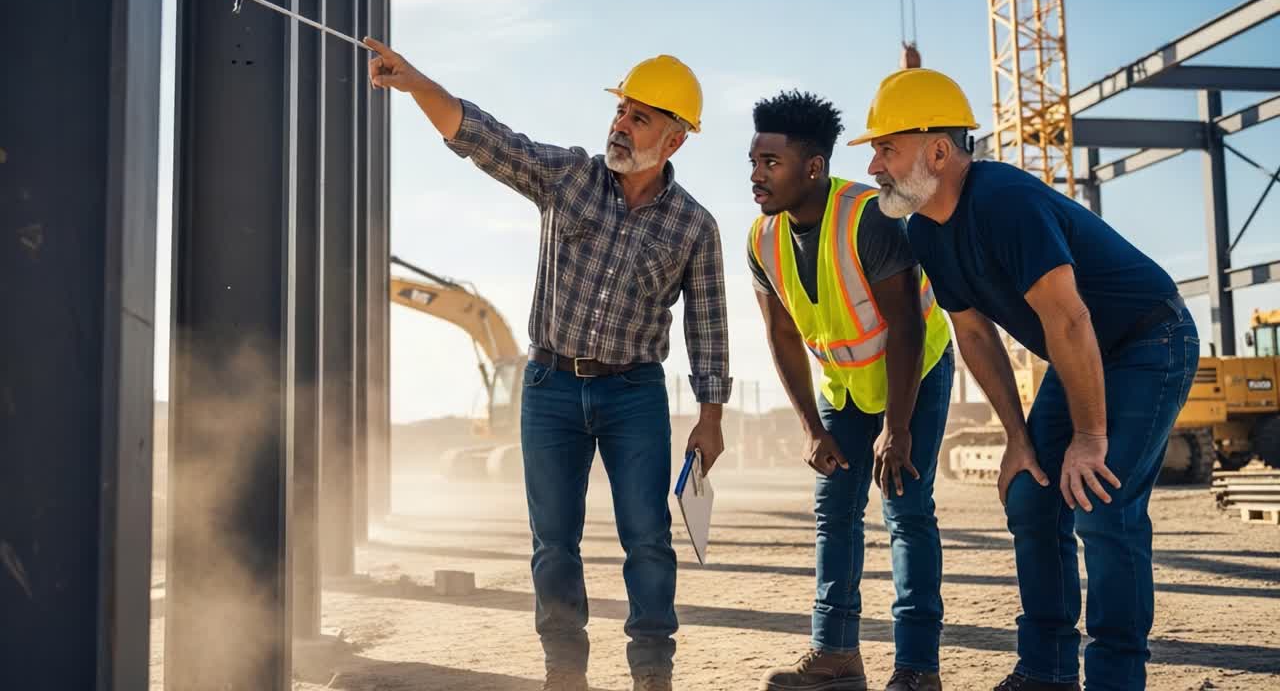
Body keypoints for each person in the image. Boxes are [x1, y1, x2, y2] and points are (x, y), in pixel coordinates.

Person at [364, 37, 733, 691]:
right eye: (621, 110)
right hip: (550, 387)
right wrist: (417, 82)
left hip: (634, 394)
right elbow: (484, 138)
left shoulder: (694, 227)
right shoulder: (568, 177)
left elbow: (708, 327)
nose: (621, 124)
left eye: (640, 117)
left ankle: (652, 672)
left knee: (648, 539)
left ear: (674, 140)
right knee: (554, 543)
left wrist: (711, 418)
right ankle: (564, 670)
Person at [854, 68, 1199, 691]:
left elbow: (1068, 318)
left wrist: (1089, 438)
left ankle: (1116, 679)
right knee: (1030, 495)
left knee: (1102, 504)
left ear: (939, 151)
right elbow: (975, 335)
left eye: (887, 149)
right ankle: (1047, 671)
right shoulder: (925, 228)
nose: (874, 166)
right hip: (1082, 355)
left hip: (1149, 341)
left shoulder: (1004, 200)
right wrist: (1017, 437)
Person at [746, 91, 954, 691]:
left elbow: (907, 326)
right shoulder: (761, 239)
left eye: (771, 163)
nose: (757, 176)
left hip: (915, 373)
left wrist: (898, 427)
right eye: (754, 162)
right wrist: (811, 428)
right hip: (844, 388)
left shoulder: (869, 216)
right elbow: (781, 334)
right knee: (834, 510)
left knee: (906, 511)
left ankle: (917, 668)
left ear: (814, 167)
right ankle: (835, 655)